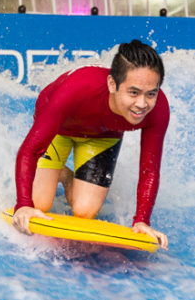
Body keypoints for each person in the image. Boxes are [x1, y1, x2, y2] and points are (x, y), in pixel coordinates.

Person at [11, 39, 170, 249]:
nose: (142, 104)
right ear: (113, 84)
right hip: (60, 127)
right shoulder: (76, 89)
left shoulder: (158, 109)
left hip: (103, 134)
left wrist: (142, 220)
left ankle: (66, 177)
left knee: (84, 211)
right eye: (133, 92)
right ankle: (57, 171)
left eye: (151, 93)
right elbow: (30, 149)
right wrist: (23, 205)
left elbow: (149, 169)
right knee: (38, 204)